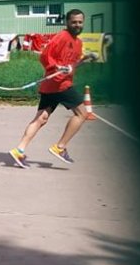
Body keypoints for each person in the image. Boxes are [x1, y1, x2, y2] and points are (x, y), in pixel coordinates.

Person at [9, 9, 92, 169]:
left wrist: (85, 59)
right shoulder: (62, 37)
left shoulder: (78, 42)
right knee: (82, 113)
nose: (77, 25)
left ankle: (19, 150)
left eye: (80, 22)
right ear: (67, 22)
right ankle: (60, 147)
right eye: (74, 22)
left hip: (51, 86)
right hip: (60, 84)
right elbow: (44, 56)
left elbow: (71, 65)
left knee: (41, 118)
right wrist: (57, 67)